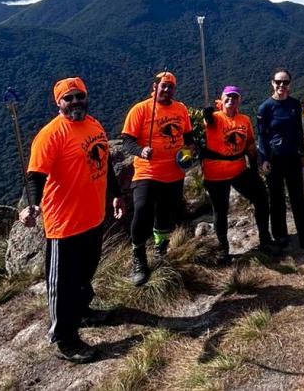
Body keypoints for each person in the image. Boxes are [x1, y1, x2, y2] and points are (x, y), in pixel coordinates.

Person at [18, 77, 125, 363]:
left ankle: (83, 312)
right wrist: (32, 206)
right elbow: (35, 175)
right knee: (62, 284)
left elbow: (105, 161)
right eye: (69, 98)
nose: (75, 102)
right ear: (58, 103)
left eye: (79, 96)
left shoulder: (94, 124)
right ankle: (65, 338)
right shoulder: (51, 134)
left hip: (93, 217)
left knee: (85, 274)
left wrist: (115, 194)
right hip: (64, 224)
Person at [120, 71, 195, 286]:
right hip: (147, 172)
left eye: (170, 86)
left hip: (174, 173)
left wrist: (188, 154)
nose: (167, 89)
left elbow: (188, 137)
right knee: (142, 209)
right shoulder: (140, 109)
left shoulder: (180, 109)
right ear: (154, 87)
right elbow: (127, 141)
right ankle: (139, 258)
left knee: (165, 213)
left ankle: (161, 250)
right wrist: (141, 150)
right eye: (163, 86)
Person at [202, 86, 274, 264]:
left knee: (261, 198)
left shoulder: (244, 120)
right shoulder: (214, 118)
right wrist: (206, 116)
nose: (231, 100)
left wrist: (255, 168)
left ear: (239, 101)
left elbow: (249, 144)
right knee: (220, 211)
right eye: (228, 97)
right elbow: (206, 125)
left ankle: (265, 239)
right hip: (215, 174)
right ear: (222, 98)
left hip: (239, 170)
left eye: (235, 97)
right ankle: (223, 251)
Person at [257, 68, 304, 252]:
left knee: (298, 199)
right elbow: (261, 136)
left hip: (292, 158)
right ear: (272, 83)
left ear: (290, 84)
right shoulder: (265, 108)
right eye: (278, 82)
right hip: (274, 160)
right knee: (276, 200)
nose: (281, 86)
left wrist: (302, 155)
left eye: (285, 82)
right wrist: (263, 160)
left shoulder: (294, 104)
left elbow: (296, 131)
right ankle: (280, 237)